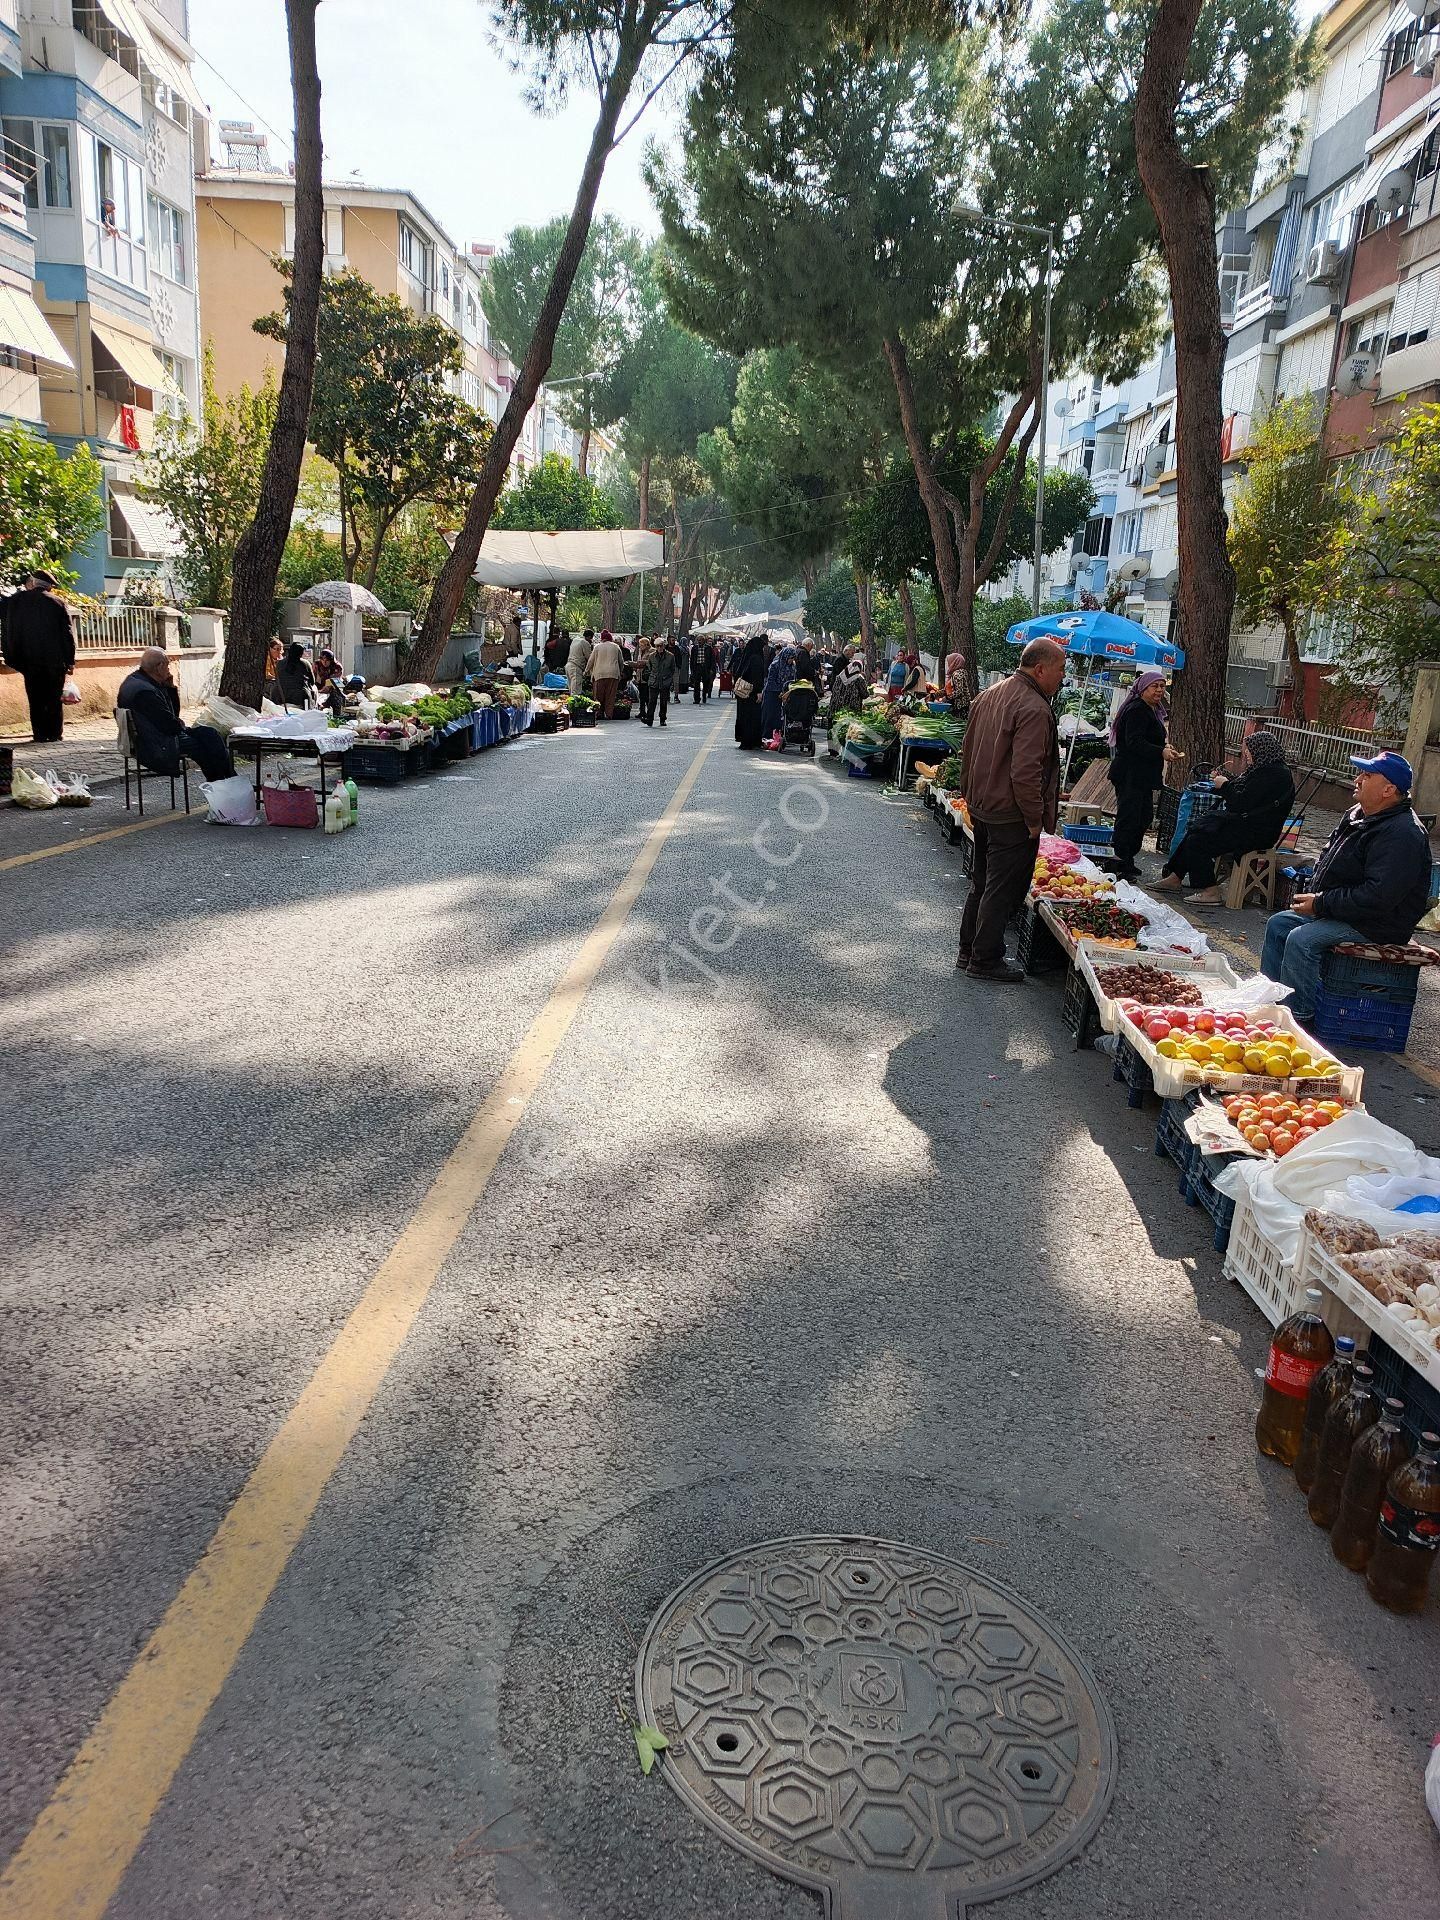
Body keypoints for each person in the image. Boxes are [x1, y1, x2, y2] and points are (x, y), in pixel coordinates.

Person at [1261, 752, 1432, 1020]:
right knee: (1279, 924)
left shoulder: (1403, 833)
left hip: (1379, 922)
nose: (1358, 779)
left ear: (1389, 790)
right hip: (1347, 910)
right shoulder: (1357, 814)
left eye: (1368, 776)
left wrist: (1320, 902)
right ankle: (1271, 1001)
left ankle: (1298, 1016)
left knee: (1302, 940)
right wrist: (1317, 898)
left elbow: (1378, 896)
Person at [956, 636, 1066, 983]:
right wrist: (1034, 820)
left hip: (985, 805)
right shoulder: (1033, 707)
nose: (1063, 677)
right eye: (1061, 670)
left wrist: (969, 796)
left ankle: (968, 950)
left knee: (982, 882)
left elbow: (967, 750)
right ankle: (984, 959)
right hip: (1010, 813)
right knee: (1000, 888)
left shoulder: (990, 695)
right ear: (1040, 668)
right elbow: (1025, 772)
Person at [1156, 730, 1296, 902]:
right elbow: (1242, 793)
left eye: (1249, 752)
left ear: (1261, 750)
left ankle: (1210, 890)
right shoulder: (1264, 769)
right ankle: (1175, 877)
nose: (1246, 756)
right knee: (1196, 829)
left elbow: (1240, 802)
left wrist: (1224, 786)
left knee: (1198, 841)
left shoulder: (1272, 774)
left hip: (1257, 832)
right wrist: (1223, 782)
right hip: (1246, 824)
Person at [118, 647, 234, 783]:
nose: (169, 668)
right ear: (159, 666)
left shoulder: (137, 681)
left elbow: (172, 716)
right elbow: (170, 725)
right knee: (205, 747)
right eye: (168, 664)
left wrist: (170, 688)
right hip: (156, 743)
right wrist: (179, 724)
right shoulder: (145, 692)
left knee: (210, 734)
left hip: (154, 736)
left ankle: (225, 782)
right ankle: (225, 782)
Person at [1107, 671, 1173, 880]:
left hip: (1143, 775)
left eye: (1163, 686)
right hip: (1130, 773)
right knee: (1129, 817)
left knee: (1143, 817)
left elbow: (1150, 739)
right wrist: (1160, 751)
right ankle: (1118, 862)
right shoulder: (1137, 710)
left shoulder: (1152, 710)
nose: (1160, 690)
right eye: (1155, 686)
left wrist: (1164, 747)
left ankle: (1128, 859)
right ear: (1143, 688)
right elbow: (1134, 741)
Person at [1, 570, 75, 743]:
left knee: (35, 697)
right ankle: (55, 733)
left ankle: (40, 733)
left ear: (33, 583)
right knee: (53, 698)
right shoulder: (57, 603)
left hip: (28, 660)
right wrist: (70, 660)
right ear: (49, 586)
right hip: (54, 661)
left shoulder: (17, 601)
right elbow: (67, 634)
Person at [733, 631, 768, 749]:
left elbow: (739, 673)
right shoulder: (757, 659)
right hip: (752, 693)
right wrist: (759, 692)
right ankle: (751, 741)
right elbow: (757, 677)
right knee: (752, 717)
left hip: (743, 693)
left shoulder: (747, 656)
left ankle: (744, 740)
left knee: (743, 716)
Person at [760, 646, 796, 744]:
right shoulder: (775, 665)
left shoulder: (792, 666)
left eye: (793, 658)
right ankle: (766, 735)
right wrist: (779, 690)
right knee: (769, 714)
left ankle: (778, 735)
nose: (791, 660)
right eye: (790, 658)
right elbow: (770, 681)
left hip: (784, 694)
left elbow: (792, 680)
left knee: (780, 716)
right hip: (771, 693)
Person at [267, 639, 316, 708]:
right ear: (301, 653)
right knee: (313, 689)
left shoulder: (280, 663)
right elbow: (312, 682)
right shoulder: (305, 663)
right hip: (299, 698)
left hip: (278, 696)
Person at [587, 627, 624, 718]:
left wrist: (586, 671)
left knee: (598, 695)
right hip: (613, 674)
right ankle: (609, 714)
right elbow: (621, 662)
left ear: (602, 638)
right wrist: (620, 672)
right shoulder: (616, 647)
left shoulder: (597, 647)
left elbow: (591, 661)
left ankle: (599, 713)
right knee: (610, 696)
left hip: (599, 674)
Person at [644, 636, 676, 726]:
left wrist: (669, 680)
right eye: (657, 646)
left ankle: (662, 719)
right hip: (654, 681)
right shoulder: (651, 656)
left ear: (664, 646)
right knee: (652, 701)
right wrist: (651, 676)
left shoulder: (670, 656)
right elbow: (649, 668)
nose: (659, 648)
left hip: (665, 681)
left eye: (661, 646)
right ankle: (649, 719)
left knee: (663, 701)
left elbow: (672, 669)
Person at [567, 627, 595, 698]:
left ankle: (570, 705)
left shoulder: (575, 640)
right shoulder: (585, 643)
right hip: (576, 668)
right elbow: (589, 658)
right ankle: (574, 707)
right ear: (589, 637)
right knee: (576, 692)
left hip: (568, 666)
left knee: (571, 689)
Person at [692, 636, 717, 705]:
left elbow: (712, 659)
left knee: (706, 682)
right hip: (697, 667)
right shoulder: (695, 648)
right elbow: (692, 659)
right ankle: (696, 699)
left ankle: (704, 695)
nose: (699, 641)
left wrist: (712, 668)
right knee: (696, 683)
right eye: (698, 640)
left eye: (700, 640)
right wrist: (692, 669)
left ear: (704, 640)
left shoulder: (708, 648)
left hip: (705, 667)